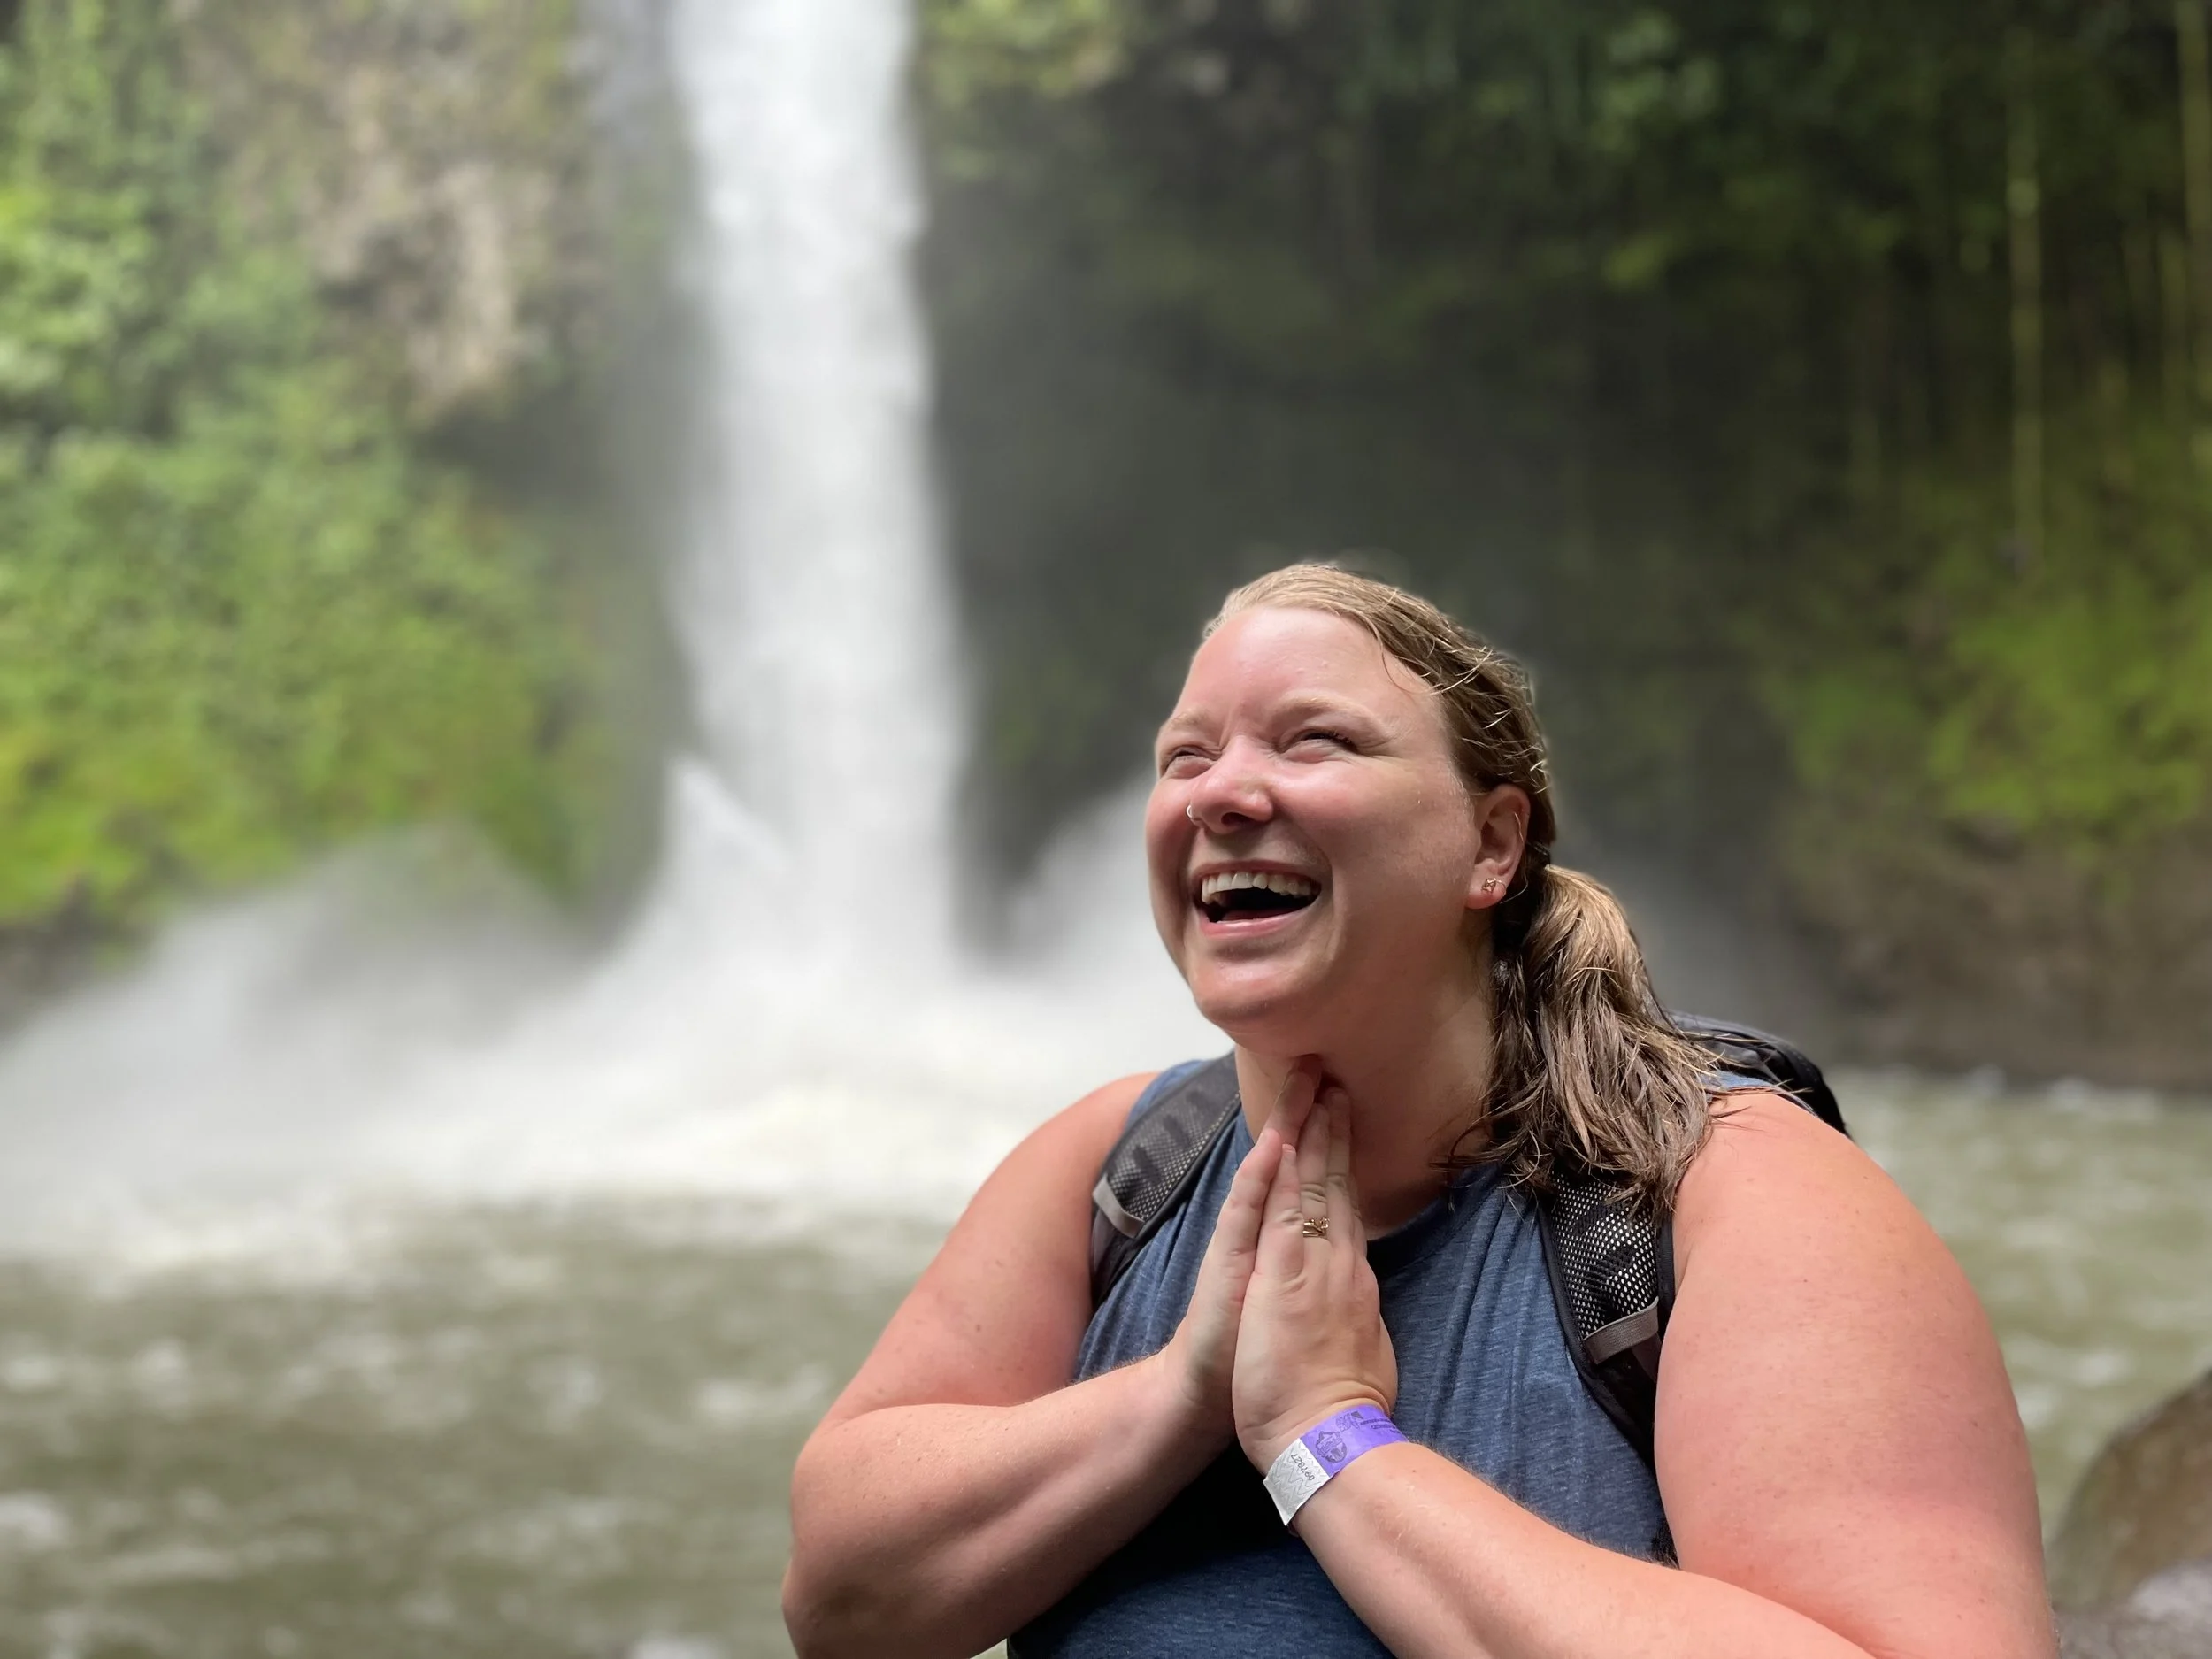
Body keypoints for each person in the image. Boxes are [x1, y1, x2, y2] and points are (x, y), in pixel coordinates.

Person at [780, 565, 2056, 1659]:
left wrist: (1328, 1439)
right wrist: (1182, 1394)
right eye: (1187, 756)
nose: (1221, 794)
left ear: (1491, 845)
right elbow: (836, 1600)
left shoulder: (1736, 1188)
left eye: (1312, 742)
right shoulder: (1113, 1168)